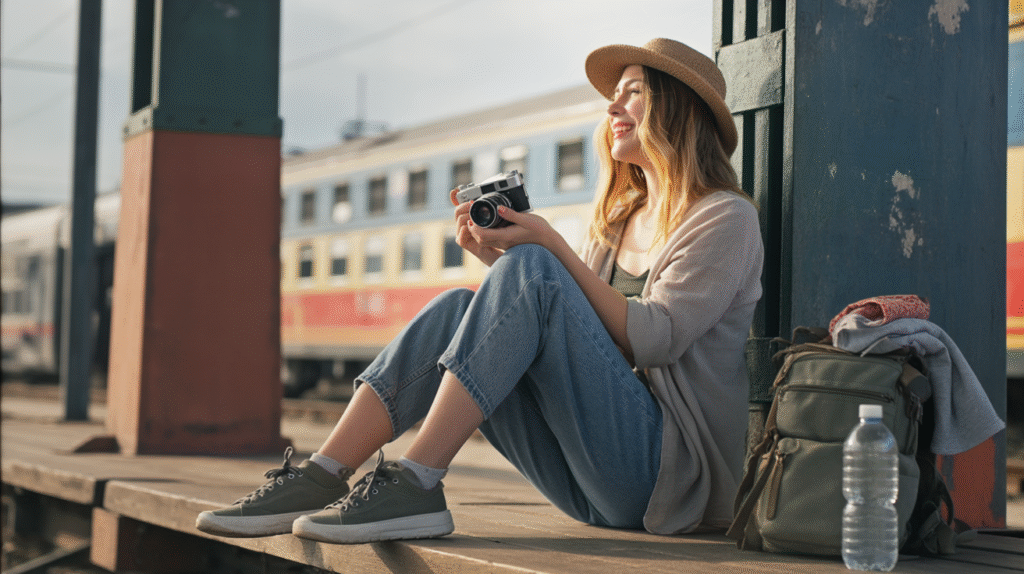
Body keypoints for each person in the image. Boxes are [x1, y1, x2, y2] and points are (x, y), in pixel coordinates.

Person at [196, 37, 763, 543]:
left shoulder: (724, 219)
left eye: (633, 93)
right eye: (614, 96)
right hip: (589, 478)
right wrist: (501, 257)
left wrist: (546, 248)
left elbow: (654, 339)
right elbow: (584, 343)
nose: (612, 107)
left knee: (536, 267)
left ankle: (416, 481)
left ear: (678, 111)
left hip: (664, 482)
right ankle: (321, 474)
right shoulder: (618, 221)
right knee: (458, 308)